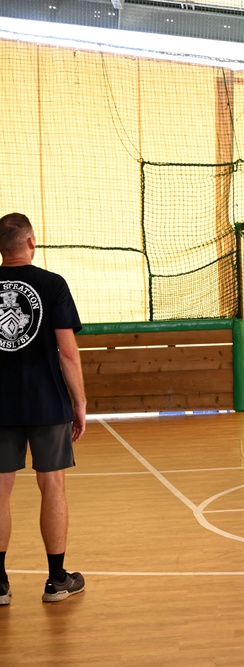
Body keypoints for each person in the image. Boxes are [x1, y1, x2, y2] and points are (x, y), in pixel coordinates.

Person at [0, 212, 87, 604]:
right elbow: (67, 352)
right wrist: (80, 401)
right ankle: (56, 581)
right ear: (31, 243)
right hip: (47, 402)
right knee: (51, 485)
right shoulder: (52, 284)